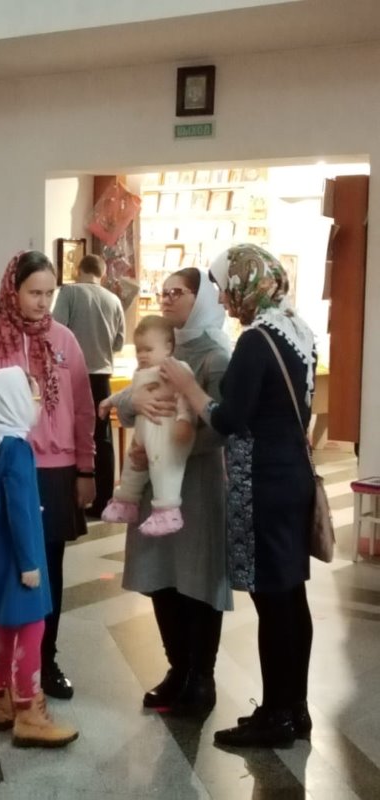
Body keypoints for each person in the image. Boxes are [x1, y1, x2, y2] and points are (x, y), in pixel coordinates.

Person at [162, 244, 316, 748]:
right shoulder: (297, 330)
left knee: (273, 602)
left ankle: (275, 715)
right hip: (293, 476)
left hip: (264, 483)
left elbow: (228, 419)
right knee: (291, 597)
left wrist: (189, 386)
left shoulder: (255, 340)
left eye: (225, 287)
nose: (224, 299)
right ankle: (294, 708)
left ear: (246, 282)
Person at [0, 250, 95, 700]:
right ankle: (1, 667)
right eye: (34, 292)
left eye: (49, 293)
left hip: (55, 469)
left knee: (48, 569)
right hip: (2, 466)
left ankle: (45, 660)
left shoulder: (64, 340)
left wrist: (86, 467)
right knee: (6, 567)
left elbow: (82, 409)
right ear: (13, 290)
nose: (42, 302)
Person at [115, 267, 232, 717]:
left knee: (196, 580)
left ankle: (202, 676)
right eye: (161, 292)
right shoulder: (160, 343)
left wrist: (167, 447)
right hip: (155, 485)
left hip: (196, 484)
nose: (165, 299)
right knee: (160, 575)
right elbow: (129, 401)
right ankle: (177, 668)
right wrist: (134, 402)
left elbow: (221, 427)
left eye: (176, 292)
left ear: (200, 299)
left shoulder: (217, 355)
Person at [0, 366, 78, 748]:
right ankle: (30, 711)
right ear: (11, 403)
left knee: (4, 628)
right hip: (18, 559)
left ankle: (2, 701)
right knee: (32, 629)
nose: (37, 405)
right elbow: (21, 512)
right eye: (32, 397)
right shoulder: (16, 449)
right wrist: (30, 564)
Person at [99, 315, 195, 536]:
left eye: (148, 350)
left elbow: (186, 394)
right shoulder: (142, 372)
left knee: (163, 468)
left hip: (164, 431)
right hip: (144, 432)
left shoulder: (174, 369)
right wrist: (111, 400)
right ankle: (126, 501)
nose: (142, 355)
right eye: (139, 350)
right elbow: (131, 391)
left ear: (168, 348)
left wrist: (184, 418)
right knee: (132, 465)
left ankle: (167, 510)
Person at [52, 253, 125, 517]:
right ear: (102, 274)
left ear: (78, 270)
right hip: (102, 375)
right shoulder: (114, 300)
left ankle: (72, 497)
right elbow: (119, 342)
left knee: (70, 433)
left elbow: (56, 331)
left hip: (72, 374)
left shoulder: (69, 293)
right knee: (101, 437)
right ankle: (103, 498)